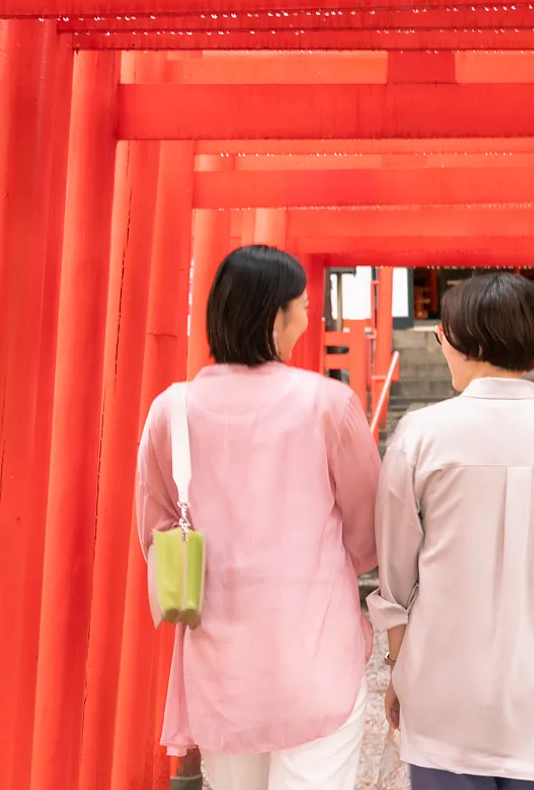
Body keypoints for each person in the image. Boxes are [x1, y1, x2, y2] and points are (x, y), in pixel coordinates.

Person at [370, 271, 534, 790]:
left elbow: (396, 584)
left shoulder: (420, 436)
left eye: (442, 334)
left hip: (444, 695)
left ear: (467, 341)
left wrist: (399, 669)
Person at [135, 245, 381, 790]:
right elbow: (368, 540)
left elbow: (155, 533)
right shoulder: (328, 406)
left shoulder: (171, 411)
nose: (308, 316)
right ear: (277, 316)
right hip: (316, 655)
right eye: (303, 305)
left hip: (222, 665)